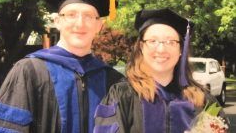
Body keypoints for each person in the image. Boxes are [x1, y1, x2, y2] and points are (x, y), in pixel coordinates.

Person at [0, 0, 123, 133]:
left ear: (99, 25)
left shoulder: (113, 81)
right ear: (57, 21)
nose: (80, 24)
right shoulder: (29, 71)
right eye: (71, 15)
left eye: (89, 16)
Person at [94, 8, 230, 133]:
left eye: (170, 42)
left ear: (181, 49)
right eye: (153, 41)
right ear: (141, 46)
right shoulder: (122, 96)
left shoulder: (203, 100)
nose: (161, 49)